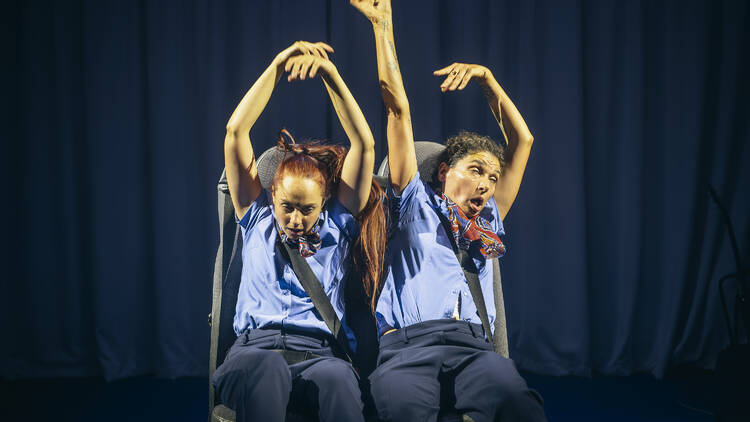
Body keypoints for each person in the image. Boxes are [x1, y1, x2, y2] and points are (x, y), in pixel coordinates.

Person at [350, 1, 547, 421]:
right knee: (402, 408)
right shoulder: (412, 203)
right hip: (409, 347)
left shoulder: (487, 220)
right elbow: (396, 110)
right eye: (476, 170)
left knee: (519, 404)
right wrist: (382, 27)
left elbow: (523, 140)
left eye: (493, 178)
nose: (485, 184)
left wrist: (488, 80)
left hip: (474, 349)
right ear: (444, 171)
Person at [212, 40, 385, 422]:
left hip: (320, 354)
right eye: (287, 208)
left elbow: (364, 143)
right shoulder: (256, 218)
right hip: (255, 352)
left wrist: (331, 75)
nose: (294, 219)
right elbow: (235, 131)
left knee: (341, 380)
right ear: (272, 198)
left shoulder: (338, 227)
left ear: (324, 202)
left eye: (306, 210)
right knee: (269, 370)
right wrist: (276, 65)